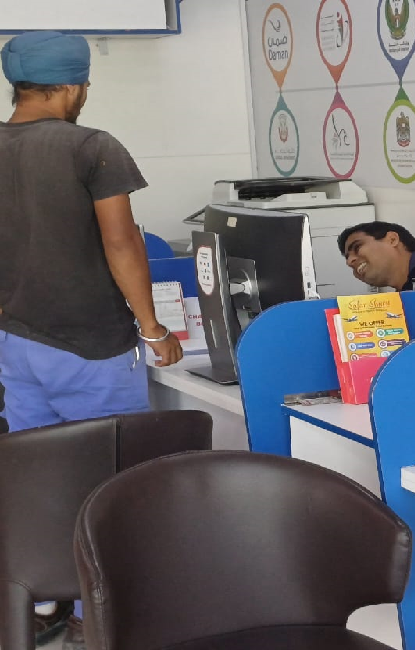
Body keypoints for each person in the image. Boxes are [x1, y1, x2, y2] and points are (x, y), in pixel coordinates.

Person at [0, 30, 183, 648]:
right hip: (91, 346)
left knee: (40, 475)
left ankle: (42, 601)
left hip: (15, 345)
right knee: (108, 481)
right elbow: (121, 241)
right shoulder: (92, 147)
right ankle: (95, 614)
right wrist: (152, 328)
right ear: (74, 86)